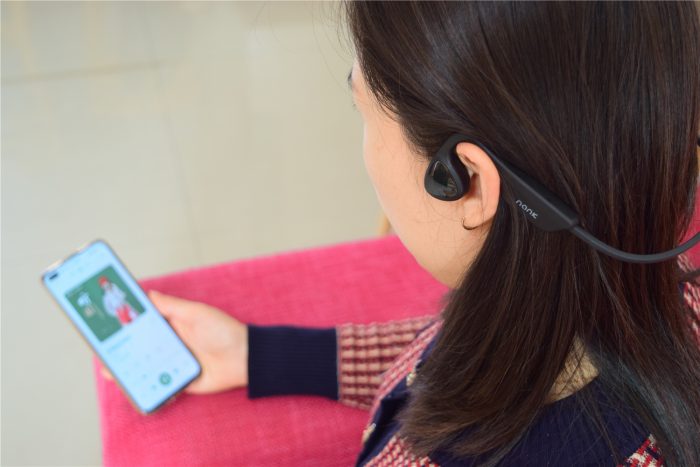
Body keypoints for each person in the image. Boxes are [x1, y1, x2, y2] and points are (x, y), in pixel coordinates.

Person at [101, 2, 700, 465]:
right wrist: (265, 356)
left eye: (361, 109)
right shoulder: (669, 293)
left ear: (465, 182)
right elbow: (479, 349)